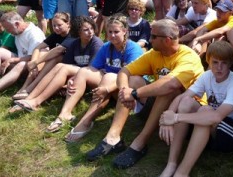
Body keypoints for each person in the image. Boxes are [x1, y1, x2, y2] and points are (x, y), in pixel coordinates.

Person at [85, 19, 204, 170]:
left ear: (167, 40)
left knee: (168, 90)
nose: (149, 39)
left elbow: (171, 84)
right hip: (158, 108)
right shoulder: (154, 53)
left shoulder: (188, 57)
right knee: (133, 79)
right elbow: (125, 71)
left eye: (154, 36)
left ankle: (140, 143)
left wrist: (134, 94)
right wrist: (124, 92)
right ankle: (113, 138)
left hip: (185, 116)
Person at [158, 41, 233, 177]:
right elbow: (183, 97)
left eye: (224, 63)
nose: (219, 67)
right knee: (186, 103)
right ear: (208, 61)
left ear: (230, 64)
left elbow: (216, 117)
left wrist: (176, 118)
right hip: (213, 127)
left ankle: (182, 173)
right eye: (215, 62)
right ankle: (171, 164)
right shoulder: (207, 76)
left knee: (205, 112)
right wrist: (168, 115)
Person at [61, 15, 143, 142]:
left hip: (127, 89)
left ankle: (86, 121)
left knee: (110, 76)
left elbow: (129, 77)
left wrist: (106, 88)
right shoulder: (106, 47)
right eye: (109, 32)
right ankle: (64, 113)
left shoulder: (133, 48)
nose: (112, 35)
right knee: (83, 71)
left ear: (125, 31)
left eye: (116, 32)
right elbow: (93, 68)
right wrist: (74, 78)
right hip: (108, 84)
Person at [12, 16, 103, 115]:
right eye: (86, 30)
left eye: (91, 28)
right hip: (79, 72)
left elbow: (91, 68)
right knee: (60, 66)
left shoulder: (96, 43)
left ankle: (36, 101)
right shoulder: (75, 43)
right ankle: (29, 98)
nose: (90, 32)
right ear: (78, 32)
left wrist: (72, 79)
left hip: (92, 74)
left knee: (62, 67)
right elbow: (67, 62)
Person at [11, 12, 73, 101]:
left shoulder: (72, 35)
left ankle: (30, 88)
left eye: (59, 25)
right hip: (53, 64)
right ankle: (24, 88)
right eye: (54, 25)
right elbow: (38, 47)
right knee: (42, 52)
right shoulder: (55, 35)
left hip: (68, 63)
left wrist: (36, 62)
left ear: (68, 24)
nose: (56, 28)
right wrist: (34, 63)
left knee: (55, 56)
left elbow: (59, 50)